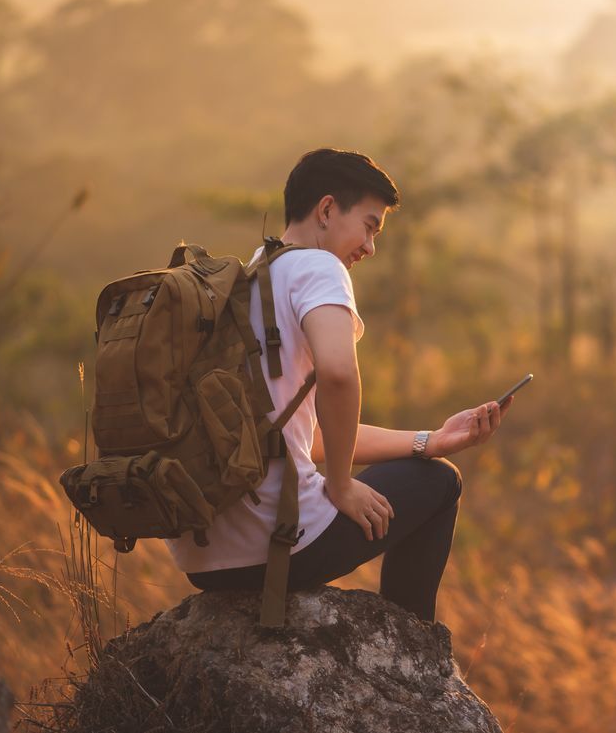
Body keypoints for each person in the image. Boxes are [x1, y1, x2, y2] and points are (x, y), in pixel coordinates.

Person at [167, 148, 508, 623]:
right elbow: (338, 373)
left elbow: (304, 437)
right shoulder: (318, 269)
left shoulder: (249, 280)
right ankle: (413, 650)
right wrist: (343, 486)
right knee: (440, 482)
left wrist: (431, 441)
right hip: (283, 546)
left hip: (204, 562)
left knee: (431, 462)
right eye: (370, 226)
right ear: (326, 210)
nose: (370, 247)